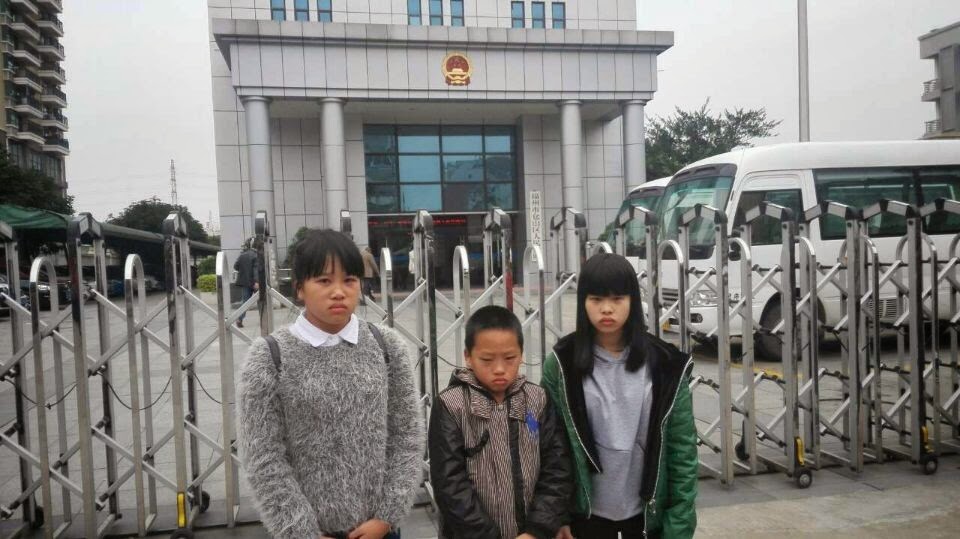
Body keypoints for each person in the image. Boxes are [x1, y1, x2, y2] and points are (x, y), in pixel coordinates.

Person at [237, 229, 424, 539]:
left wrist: (387, 516)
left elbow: (406, 436)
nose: (339, 292)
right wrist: (301, 531)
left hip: (379, 530)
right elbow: (263, 456)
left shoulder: (387, 346)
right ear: (300, 288)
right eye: (324, 281)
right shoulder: (269, 356)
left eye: (349, 280)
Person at [541, 253, 698, 539]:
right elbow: (552, 447)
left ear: (633, 301)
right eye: (596, 299)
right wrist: (556, 516)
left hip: (647, 521)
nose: (606, 309)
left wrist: (679, 529)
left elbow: (682, 454)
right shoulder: (562, 364)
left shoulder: (667, 365)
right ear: (583, 302)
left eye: (617, 299)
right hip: (582, 521)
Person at [429, 305, 572, 539]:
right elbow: (449, 485)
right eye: (486, 359)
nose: (499, 369)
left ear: (521, 354)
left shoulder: (537, 399)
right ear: (468, 356)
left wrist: (537, 530)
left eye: (509, 358)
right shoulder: (451, 405)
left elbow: (557, 468)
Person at [233, 239, 259, 328]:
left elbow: (236, 266)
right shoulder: (256, 255)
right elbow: (256, 269)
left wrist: (243, 269)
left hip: (245, 282)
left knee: (245, 302)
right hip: (255, 283)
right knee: (261, 301)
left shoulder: (242, 255)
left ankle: (239, 319)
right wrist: (256, 281)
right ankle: (263, 319)